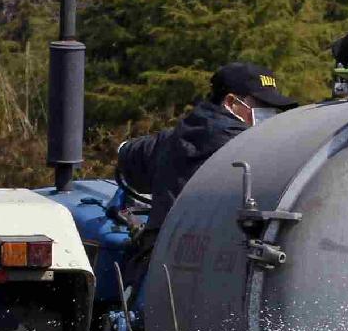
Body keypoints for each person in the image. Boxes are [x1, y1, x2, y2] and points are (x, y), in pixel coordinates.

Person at [116, 62, 298, 243]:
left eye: (274, 109)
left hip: (161, 252)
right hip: (215, 258)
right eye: (262, 106)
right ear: (231, 103)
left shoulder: (179, 134)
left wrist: (123, 148)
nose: (271, 115)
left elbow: (128, 152)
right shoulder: (246, 144)